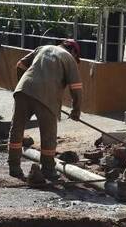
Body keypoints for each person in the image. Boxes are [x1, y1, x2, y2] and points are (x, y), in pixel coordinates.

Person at [8, 40, 83, 181]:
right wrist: (76, 110)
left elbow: (20, 65)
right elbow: (76, 87)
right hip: (47, 97)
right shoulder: (68, 58)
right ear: (73, 51)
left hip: (23, 90)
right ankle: (48, 169)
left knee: (16, 130)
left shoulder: (42, 48)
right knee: (48, 134)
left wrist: (24, 86)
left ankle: (14, 167)